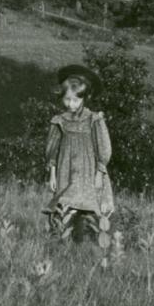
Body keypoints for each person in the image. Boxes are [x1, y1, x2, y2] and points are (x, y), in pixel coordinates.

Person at [44, 64, 115, 246]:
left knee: (88, 209)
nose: (71, 104)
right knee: (64, 206)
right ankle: (59, 243)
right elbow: (52, 148)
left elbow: (103, 148)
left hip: (88, 173)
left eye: (76, 101)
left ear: (84, 98)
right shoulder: (59, 121)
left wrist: (100, 172)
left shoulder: (94, 120)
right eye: (67, 100)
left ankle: (85, 245)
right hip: (65, 172)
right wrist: (52, 173)